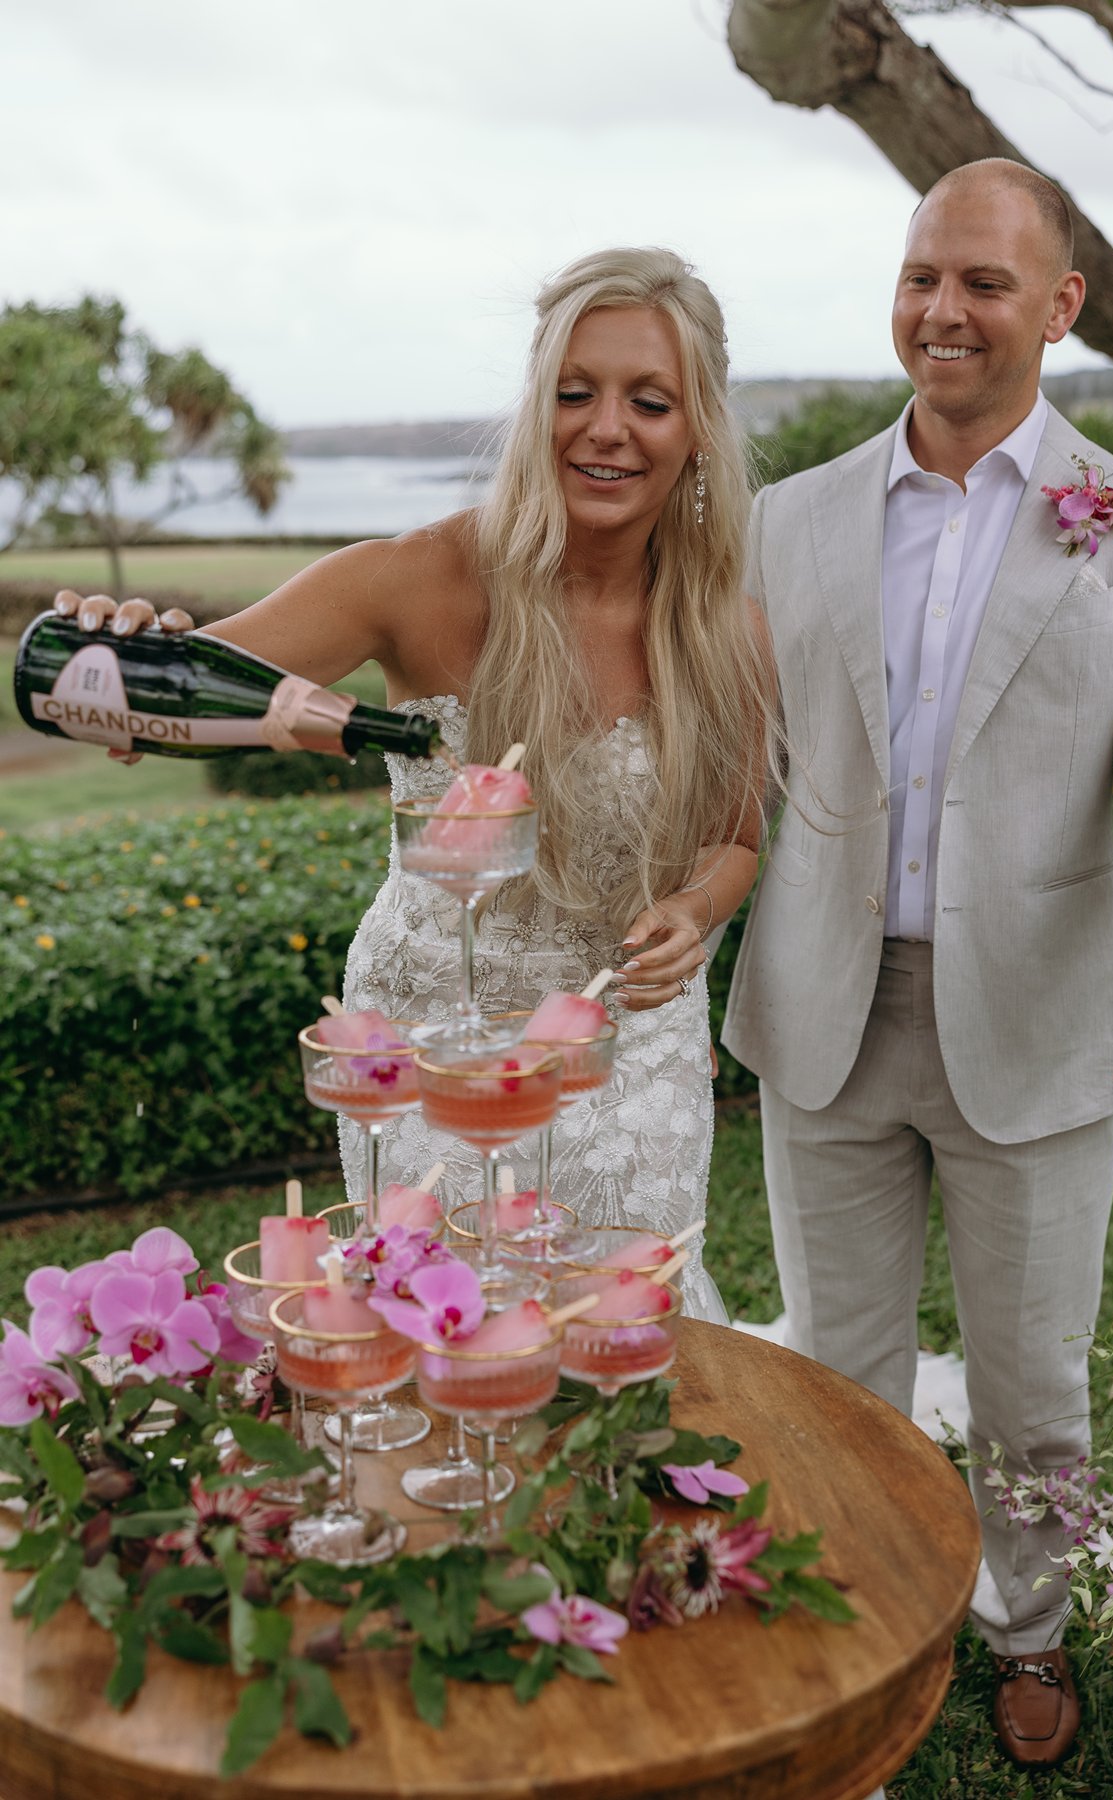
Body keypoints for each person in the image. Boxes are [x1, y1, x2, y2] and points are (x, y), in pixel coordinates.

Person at [55, 246, 777, 1323]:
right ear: (536, 408)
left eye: (650, 400)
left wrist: (695, 906)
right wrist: (125, 655)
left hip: (628, 1046)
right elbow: (149, 699)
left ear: (699, 427)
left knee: (625, 1337)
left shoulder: (729, 629)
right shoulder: (418, 577)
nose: (606, 427)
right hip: (436, 1039)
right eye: (573, 393)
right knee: (443, 1333)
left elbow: (739, 837)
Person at [723, 159, 1113, 1765]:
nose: (944, 309)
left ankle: (1029, 1630)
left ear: (1061, 308)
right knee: (836, 1372)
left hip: (1046, 1024)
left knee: (1028, 1384)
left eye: (985, 283)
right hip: (824, 1013)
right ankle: (857, 1628)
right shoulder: (786, 520)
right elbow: (734, 756)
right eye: (924, 274)